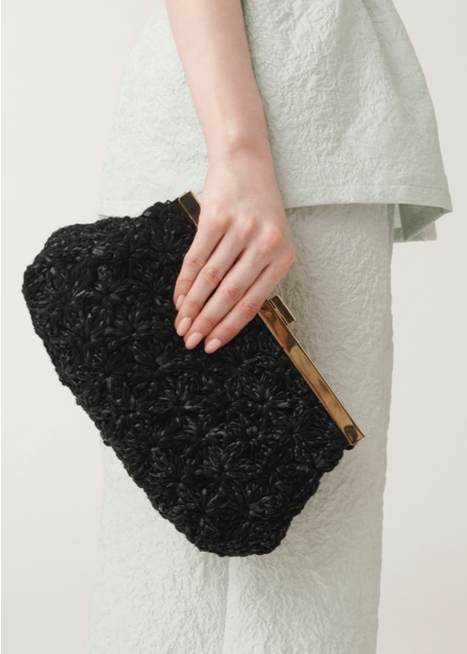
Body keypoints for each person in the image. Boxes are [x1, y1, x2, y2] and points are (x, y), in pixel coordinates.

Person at [85, 1, 453, 653]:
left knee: (222, 566)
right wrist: (238, 152)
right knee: (271, 569)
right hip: (273, 133)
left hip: (291, 125)